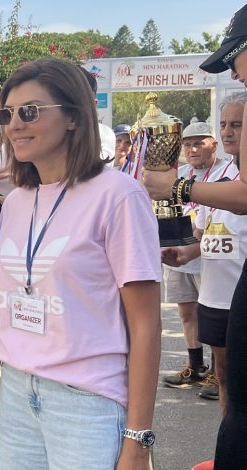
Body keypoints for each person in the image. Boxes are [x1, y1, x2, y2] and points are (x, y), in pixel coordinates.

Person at [0, 57, 161, 470]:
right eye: (7, 114)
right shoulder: (15, 202)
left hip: (85, 401)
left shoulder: (118, 196)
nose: (15, 125)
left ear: (72, 117)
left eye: (30, 111)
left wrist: (138, 439)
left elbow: (145, 325)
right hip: (16, 391)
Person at [141, 6, 247, 468]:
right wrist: (189, 249)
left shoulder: (219, 176)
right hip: (219, 289)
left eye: (236, 60)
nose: (236, 73)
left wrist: (175, 187)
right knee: (231, 385)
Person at [163, 92, 247, 470]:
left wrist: (173, 187)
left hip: (239, 299)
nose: (229, 132)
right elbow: (210, 230)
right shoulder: (219, 179)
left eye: (238, 125)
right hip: (213, 297)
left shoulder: (237, 185)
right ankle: (228, 451)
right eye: (225, 124)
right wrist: (186, 253)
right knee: (225, 380)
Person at [163, 122, 235, 394]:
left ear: (213, 145)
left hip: (211, 256)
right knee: (186, 312)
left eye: (199, 143)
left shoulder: (226, 173)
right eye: (188, 145)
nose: (192, 150)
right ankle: (195, 366)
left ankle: (218, 372)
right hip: (180, 253)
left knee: (213, 315)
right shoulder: (180, 175)